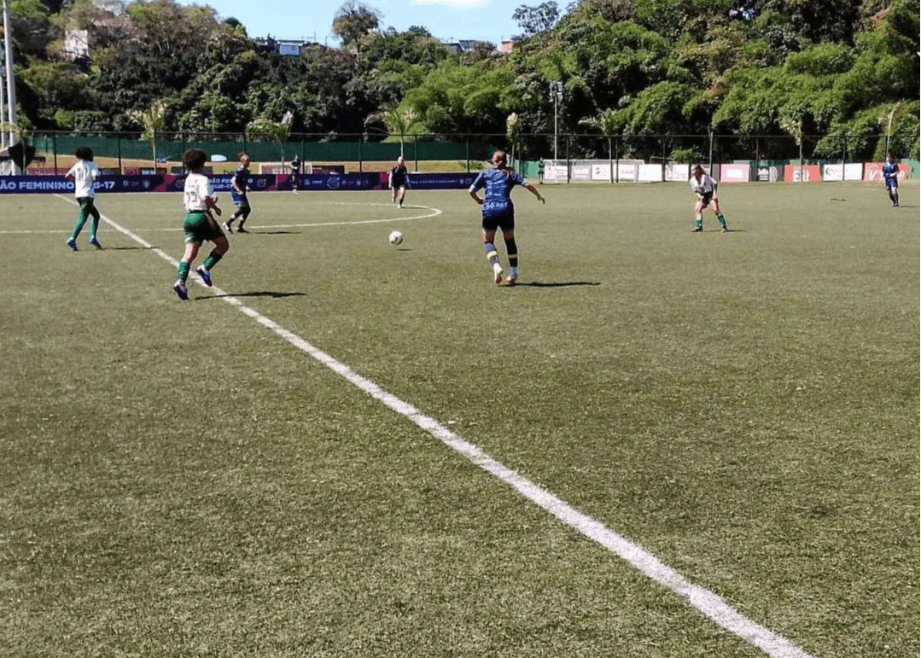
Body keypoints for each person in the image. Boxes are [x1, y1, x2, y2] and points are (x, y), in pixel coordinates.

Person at [469, 150, 545, 286]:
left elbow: (471, 191)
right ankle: (513, 273)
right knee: (510, 241)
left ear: (493, 161)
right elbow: (528, 185)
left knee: (487, 241)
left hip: (489, 210)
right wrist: (538, 196)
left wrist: (479, 200)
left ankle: (496, 266)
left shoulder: (485, 173)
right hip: (506, 209)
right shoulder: (510, 174)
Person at [173, 149, 229, 301]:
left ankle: (180, 282)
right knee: (223, 245)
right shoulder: (203, 179)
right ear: (203, 163)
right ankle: (205, 267)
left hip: (189, 217)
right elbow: (205, 198)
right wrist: (215, 207)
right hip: (202, 216)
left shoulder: (188, 179)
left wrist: (210, 201)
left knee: (189, 254)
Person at [64, 146, 102, 250]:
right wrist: (94, 178)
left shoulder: (77, 165)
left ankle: (93, 237)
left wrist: (78, 181)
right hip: (87, 194)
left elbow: (68, 176)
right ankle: (72, 239)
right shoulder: (91, 165)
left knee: (96, 215)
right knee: (83, 217)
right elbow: (95, 178)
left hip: (78, 194)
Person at [688, 164, 728, 233]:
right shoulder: (692, 180)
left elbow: (715, 184)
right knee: (698, 209)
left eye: (694, 169)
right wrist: (700, 196)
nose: (692, 171)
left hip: (710, 195)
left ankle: (724, 226)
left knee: (715, 210)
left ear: (698, 169)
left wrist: (714, 195)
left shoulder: (705, 177)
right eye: (692, 170)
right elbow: (695, 190)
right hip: (702, 196)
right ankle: (699, 226)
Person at [225, 153, 252, 233]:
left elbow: (241, 181)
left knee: (247, 209)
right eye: (247, 161)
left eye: (249, 161)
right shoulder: (240, 170)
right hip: (237, 191)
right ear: (242, 162)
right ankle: (228, 223)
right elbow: (233, 181)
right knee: (242, 208)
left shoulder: (245, 171)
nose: (249, 163)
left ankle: (239, 227)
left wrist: (246, 187)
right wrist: (238, 190)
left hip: (242, 191)